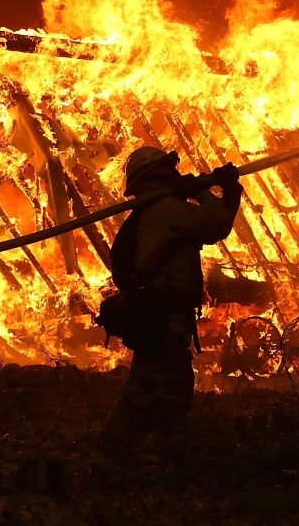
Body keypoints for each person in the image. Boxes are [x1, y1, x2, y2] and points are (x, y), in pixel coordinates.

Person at [97, 146, 242, 458]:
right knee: (167, 391)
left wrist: (228, 190)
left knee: (147, 389)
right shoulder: (164, 210)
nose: (179, 175)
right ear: (161, 176)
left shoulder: (156, 211)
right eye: (172, 171)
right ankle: (153, 461)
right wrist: (206, 189)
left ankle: (119, 457)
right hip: (162, 318)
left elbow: (214, 227)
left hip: (157, 316)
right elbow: (215, 223)